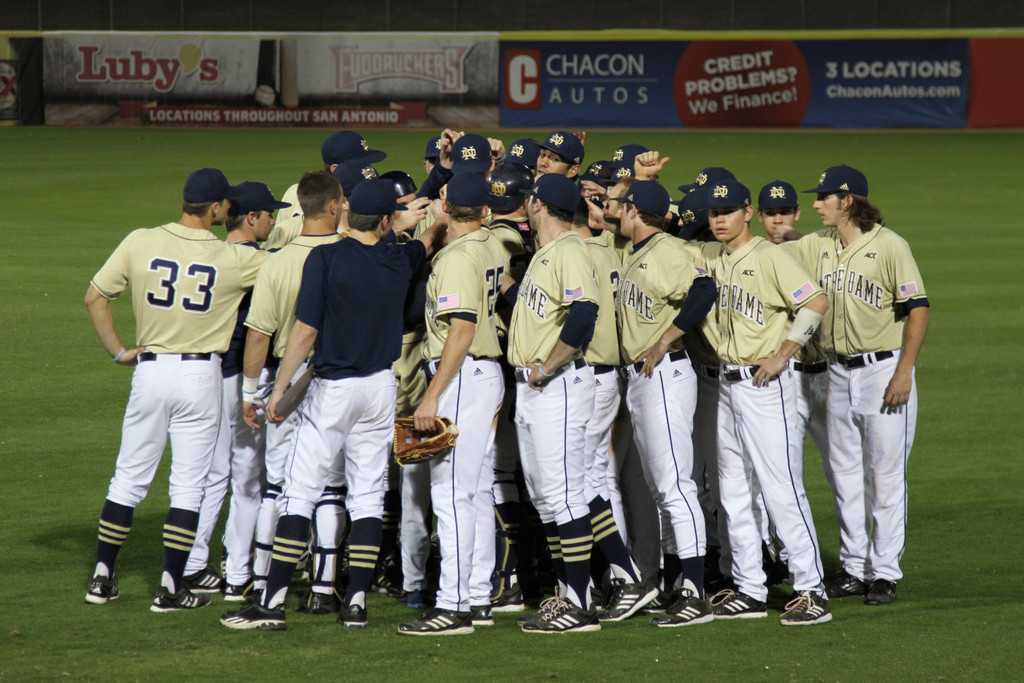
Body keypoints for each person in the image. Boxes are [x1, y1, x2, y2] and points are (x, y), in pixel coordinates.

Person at [220, 179, 441, 631]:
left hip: (334, 390)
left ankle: (271, 603)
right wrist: (430, 224)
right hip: (380, 389)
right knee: (367, 497)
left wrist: (279, 389)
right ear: (385, 220)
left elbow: (305, 332)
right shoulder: (398, 258)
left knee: (300, 492)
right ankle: (356, 603)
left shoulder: (326, 258)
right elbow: (425, 244)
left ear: (346, 212)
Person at [84, 168, 267, 611]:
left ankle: (101, 578)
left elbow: (95, 297)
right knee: (188, 486)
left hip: (149, 371)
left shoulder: (140, 240)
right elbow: (292, 267)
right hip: (201, 378)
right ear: (217, 208)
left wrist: (119, 352)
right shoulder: (233, 258)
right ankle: (169, 589)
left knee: (128, 478)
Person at [692, 179, 832, 627]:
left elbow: (816, 301)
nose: (719, 219)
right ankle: (750, 588)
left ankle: (812, 589)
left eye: (728, 211)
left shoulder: (770, 257)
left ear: (747, 213)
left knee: (780, 487)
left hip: (765, 387)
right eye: (714, 213)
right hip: (727, 387)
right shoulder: (711, 256)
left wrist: (784, 353)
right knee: (732, 491)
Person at [789, 165, 929, 606]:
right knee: (844, 475)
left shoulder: (890, 246)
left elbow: (918, 308)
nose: (816, 204)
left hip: (882, 371)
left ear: (847, 201)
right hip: (836, 372)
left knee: (884, 476)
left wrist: (904, 371)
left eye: (823, 197)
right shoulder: (818, 244)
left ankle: (884, 572)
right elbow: (776, 250)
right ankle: (854, 567)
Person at [397, 173, 508, 636]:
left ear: (446, 206)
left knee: (452, 494)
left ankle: (454, 605)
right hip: (482, 375)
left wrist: (432, 394)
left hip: (460, 377)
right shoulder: (490, 244)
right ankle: (478, 596)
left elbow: (461, 330)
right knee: (476, 490)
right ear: (483, 210)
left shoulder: (459, 257)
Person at [607, 181, 718, 627]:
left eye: (622, 207)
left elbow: (704, 290)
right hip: (644, 379)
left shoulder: (667, 251)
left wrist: (666, 338)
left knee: (675, 487)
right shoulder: (639, 251)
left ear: (634, 211)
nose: (617, 213)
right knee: (662, 489)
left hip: (665, 376)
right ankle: (677, 584)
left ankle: (695, 593)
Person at [240, 171, 351, 613]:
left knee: (278, 486)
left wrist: (251, 393)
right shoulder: (353, 254)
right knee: (329, 488)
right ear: (333, 205)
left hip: (285, 380)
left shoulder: (277, 261)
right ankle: (323, 589)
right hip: (337, 378)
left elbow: (257, 336)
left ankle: (264, 581)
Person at [503, 173, 600, 633]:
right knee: (546, 500)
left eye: (529, 199)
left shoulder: (569, 249)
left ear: (538, 205)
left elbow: (585, 312)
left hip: (556, 386)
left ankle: (579, 605)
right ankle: (566, 597)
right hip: (535, 389)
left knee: (564, 496)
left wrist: (548, 366)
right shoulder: (547, 252)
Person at [183, 181, 287, 599]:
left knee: (214, 473)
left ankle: (193, 563)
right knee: (247, 477)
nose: (274, 221)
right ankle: (239, 573)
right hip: (244, 378)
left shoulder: (212, 256)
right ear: (251, 218)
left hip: (209, 372)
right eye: (269, 214)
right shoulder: (255, 262)